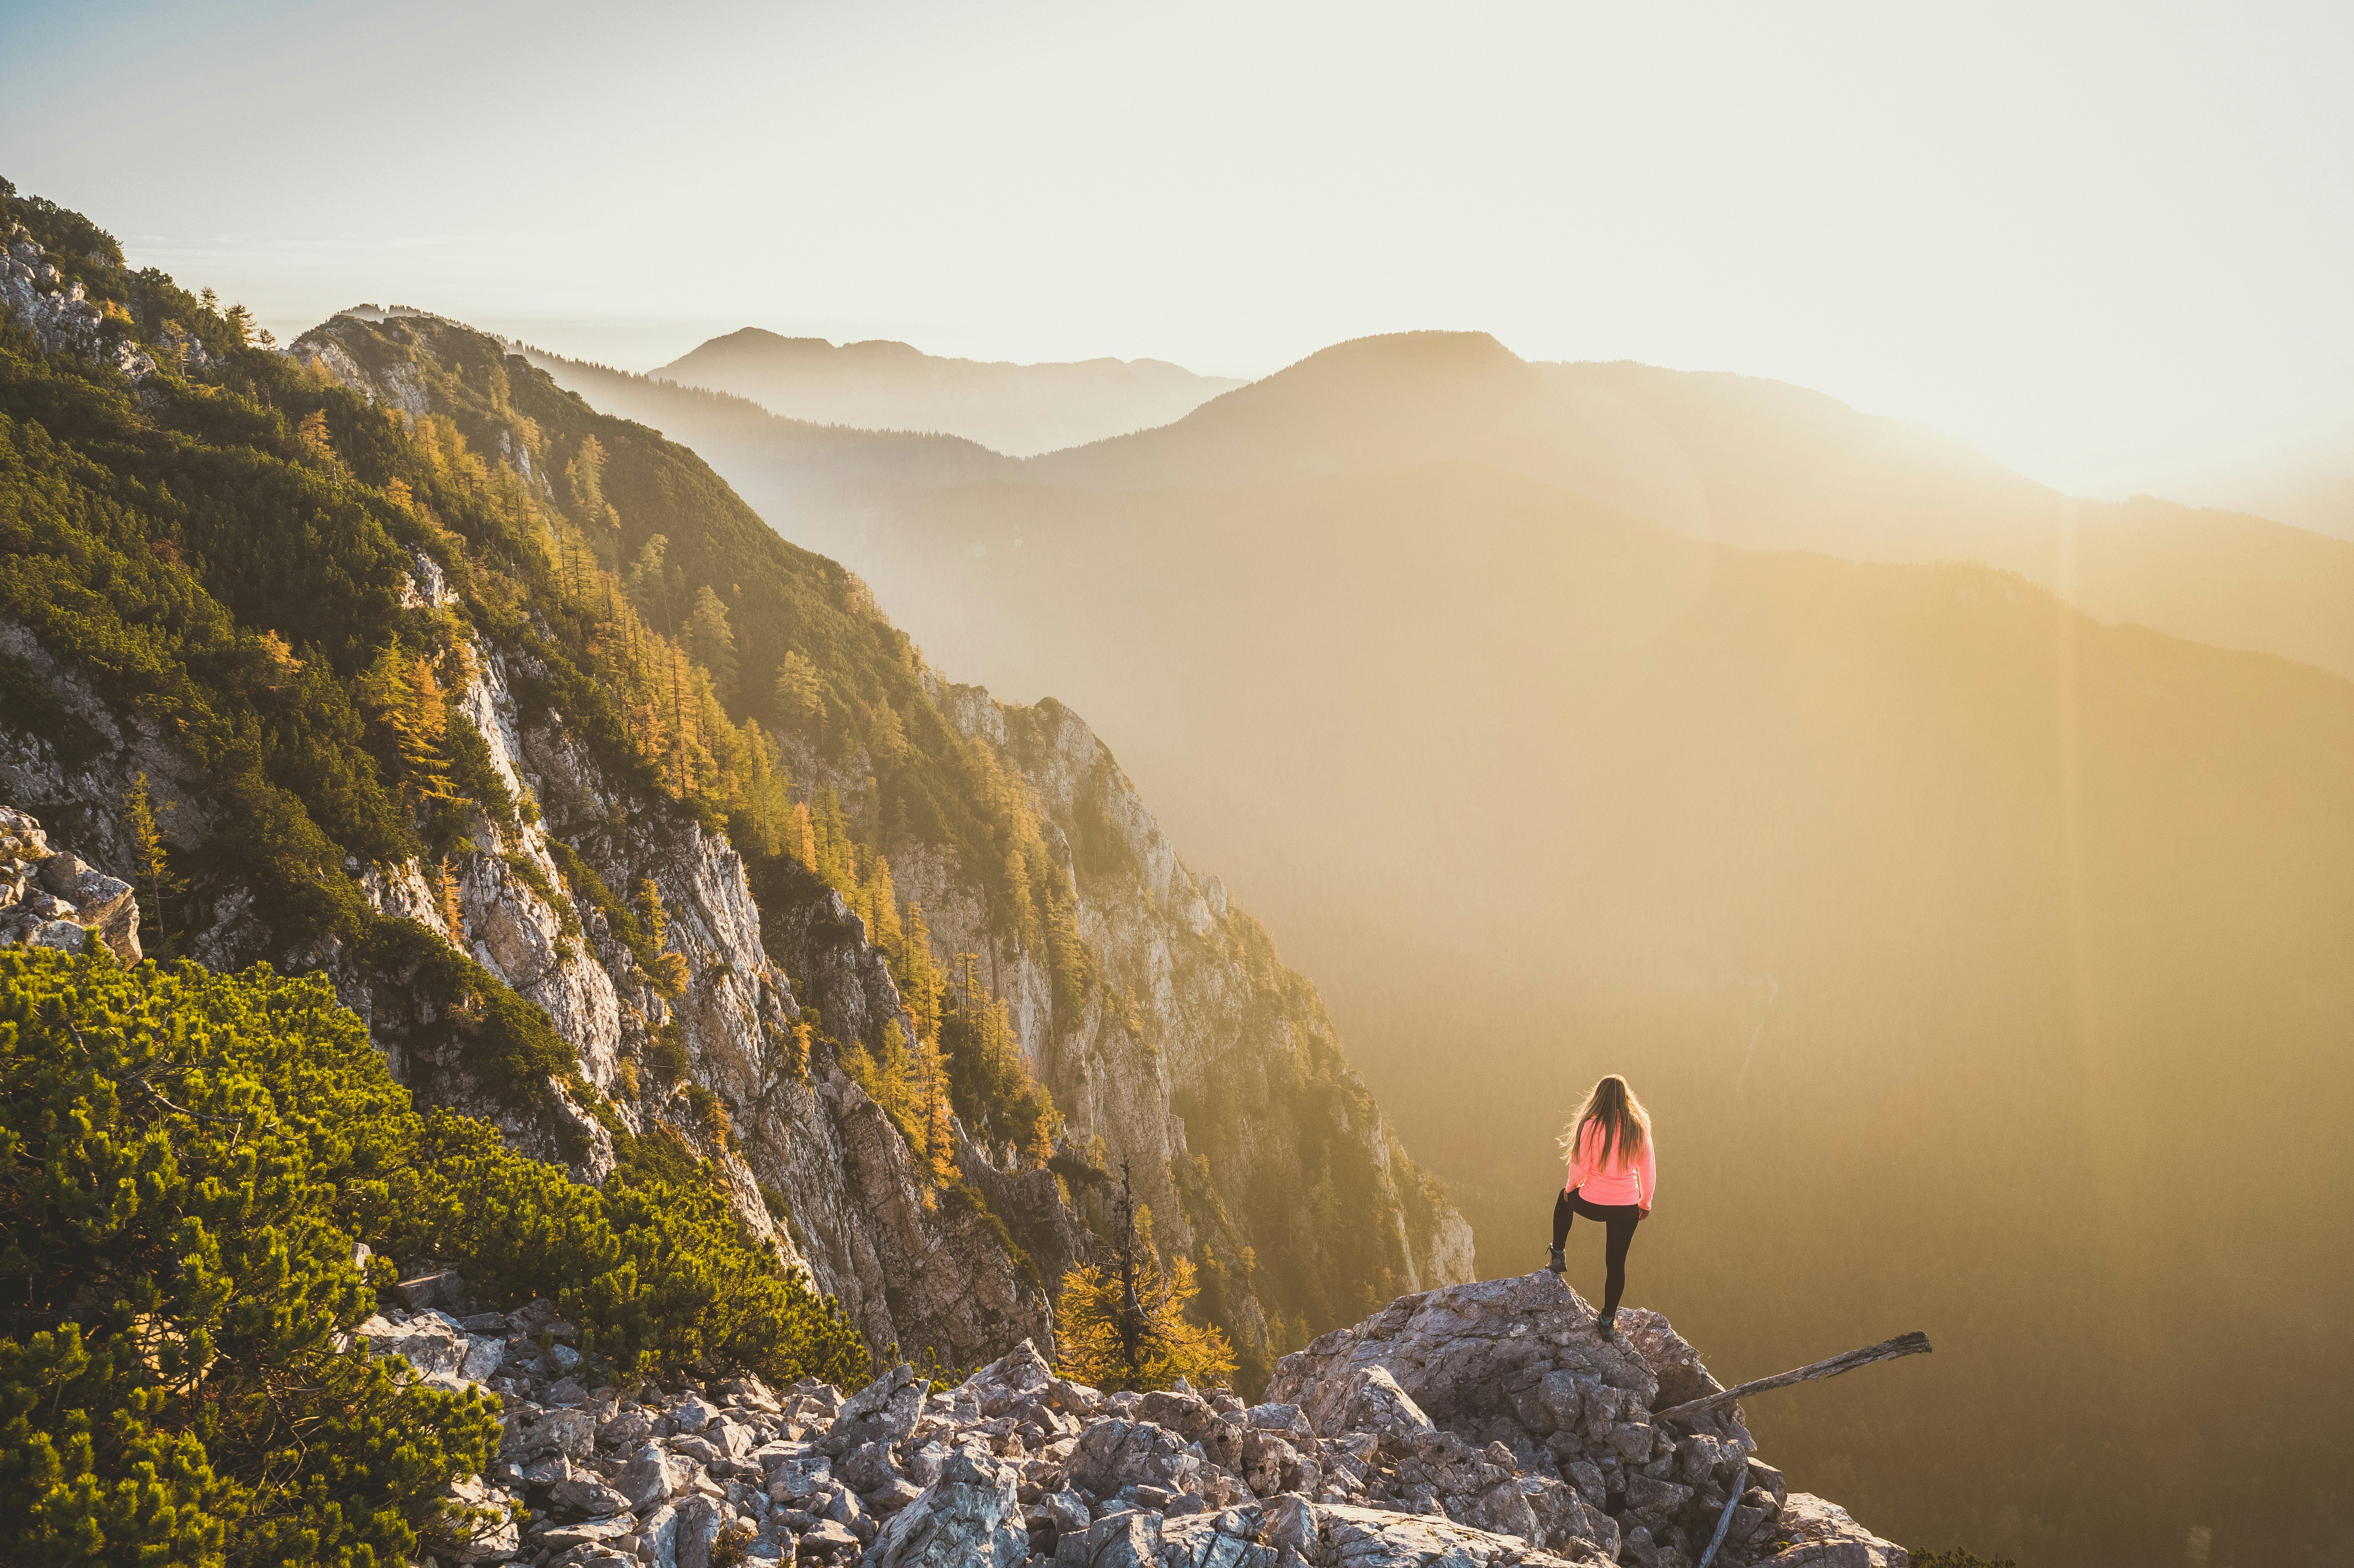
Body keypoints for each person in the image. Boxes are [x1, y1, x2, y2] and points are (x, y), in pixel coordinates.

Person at [1547, 1073, 1656, 1340]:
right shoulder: (1638, 1128)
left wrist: (1572, 1188)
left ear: (1599, 1098)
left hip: (1593, 1203)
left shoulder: (1591, 1126)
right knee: (1616, 1265)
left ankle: (1558, 1254)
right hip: (1626, 1207)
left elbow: (1580, 1166)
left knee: (1563, 1200)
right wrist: (1645, 1203)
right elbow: (1649, 1170)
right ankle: (1607, 1321)